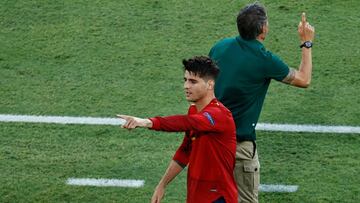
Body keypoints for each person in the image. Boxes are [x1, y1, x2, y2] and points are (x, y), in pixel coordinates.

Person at [208, 2, 315, 203]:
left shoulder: (219, 48)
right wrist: (306, 43)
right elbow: (304, 79)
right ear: (263, 29)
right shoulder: (263, 59)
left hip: (212, 143)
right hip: (240, 147)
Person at [117, 56, 238, 203]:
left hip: (218, 197)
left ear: (210, 84)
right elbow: (185, 151)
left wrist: (147, 122)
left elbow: (186, 122)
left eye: (193, 81)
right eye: (185, 80)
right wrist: (162, 184)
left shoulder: (219, 115)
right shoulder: (194, 111)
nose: (186, 86)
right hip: (196, 195)